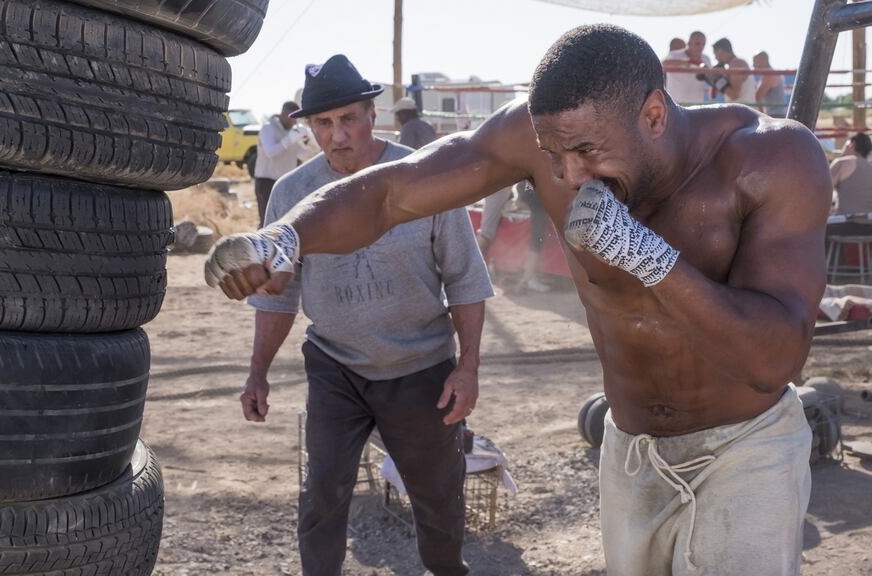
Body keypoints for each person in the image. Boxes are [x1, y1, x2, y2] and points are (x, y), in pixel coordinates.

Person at [205, 24, 831, 576]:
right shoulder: (544, 140)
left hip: (744, 451)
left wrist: (651, 261)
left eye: (587, 152)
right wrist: (287, 236)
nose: (569, 177)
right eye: (554, 156)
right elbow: (393, 193)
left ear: (654, 116)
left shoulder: (770, 158)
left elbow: (773, 358)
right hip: (631, 447)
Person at [240, 54, 493, 576]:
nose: (337, 136)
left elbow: (465, 280)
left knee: (437, 500)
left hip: (422, 370)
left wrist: (467, 368)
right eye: (323, 124)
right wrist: (258, 372)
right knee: (324, 495)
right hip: (336, 368)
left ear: (371, 115)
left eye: (348, 119)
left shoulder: (426, 181)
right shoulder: (291, 195)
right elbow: (278, 297)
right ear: (310, 128)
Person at [477, 182, 551, 292]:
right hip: (501, 185)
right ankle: (529, 277)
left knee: (487, 232)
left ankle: (529, 277)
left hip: (509, 185)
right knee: (486, 233)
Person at [254, 101, 312, 223]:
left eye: (297, 119)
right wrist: (289, 139)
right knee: (267, 223)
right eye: (293, 118)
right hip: (266, 182)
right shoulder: (268, 128)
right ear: (284, 114)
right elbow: (270, 152)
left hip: (286, 182)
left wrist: (307, 140)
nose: (295, 122)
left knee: (285, 222)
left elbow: (303, 155)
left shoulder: (293, 131)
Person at [663, 31, 711, 106]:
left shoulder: (706, 59)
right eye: (697, 43)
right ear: (689, 43)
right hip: (675, 105)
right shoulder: (675, 55)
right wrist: (687, 63)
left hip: (697, 105)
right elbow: (664, 64)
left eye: (703, 44)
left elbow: (710, 79)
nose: (701, 47)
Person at [830, 132, 872, 216]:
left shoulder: (843, 162)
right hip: (869, 223)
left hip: (845, 222)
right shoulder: (869, 166)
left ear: (852, 144)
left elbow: (821, 191)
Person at [711, 37, 758, 105]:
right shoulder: (734, 65)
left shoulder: (737, 63)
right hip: (741, 111)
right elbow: (714, 95)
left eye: (715, 54)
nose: (715, 58)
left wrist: (717, 80)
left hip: (742, 112)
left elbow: (734, 95)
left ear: (720, 51)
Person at [753, 51, 788, 117]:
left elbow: (758, 96)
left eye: (755, 61)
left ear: (762, 60)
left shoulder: (769, 75)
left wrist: (762, 117)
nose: (753, 65)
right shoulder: (771, 73)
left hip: (775, 115)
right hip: (777, 114)